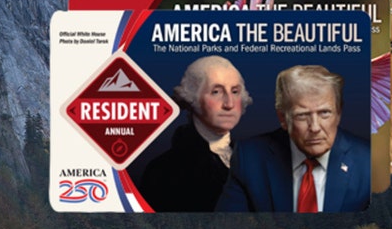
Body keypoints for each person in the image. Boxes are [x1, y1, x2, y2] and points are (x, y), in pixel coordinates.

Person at [216, 64, 370, 213]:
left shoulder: (369, 162)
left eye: (324, 113)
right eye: (302, 115)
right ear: (283, 118)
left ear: (338, 114)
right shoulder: (249, 158)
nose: (315, 127)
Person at [139, 55, 251, 212]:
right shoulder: (163, 171)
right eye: (216, 92)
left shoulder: (253, 158)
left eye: (235, 91)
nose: (229, 103)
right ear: (192, 98)